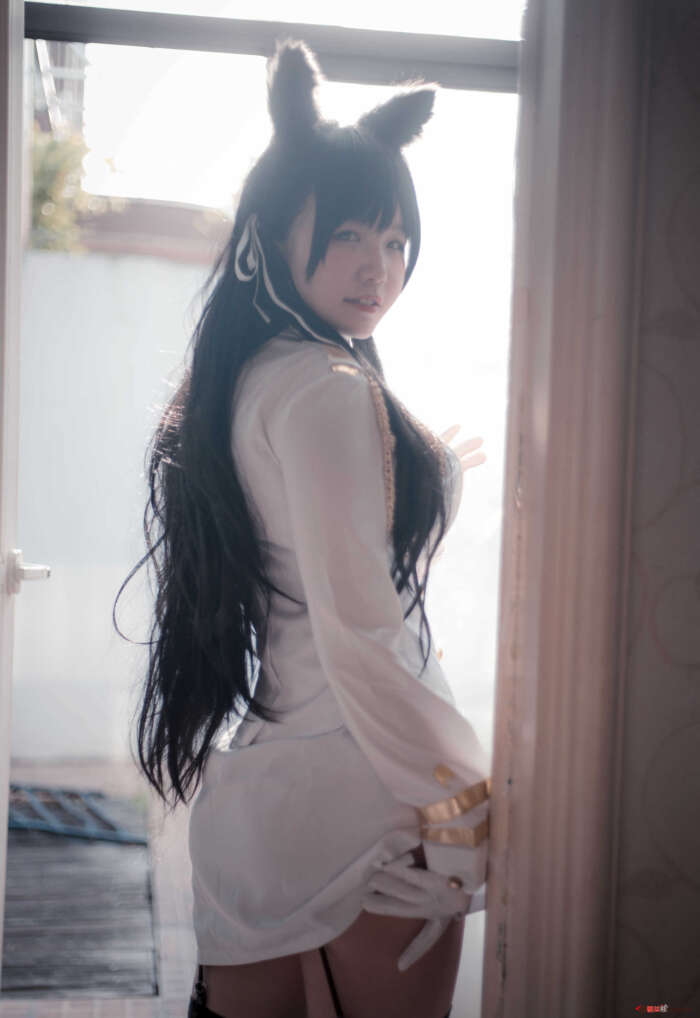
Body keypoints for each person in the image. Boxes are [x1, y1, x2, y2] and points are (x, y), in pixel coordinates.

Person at [117, 37, 491, 1018]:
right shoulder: (327, 387)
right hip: (373, 804)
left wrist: (431, 470)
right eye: (351, 235)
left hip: (265, 799)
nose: (380, 268)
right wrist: (461, 801)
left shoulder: (250, 377)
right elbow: (362, 634)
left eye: (397, 241)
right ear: (273, 231)